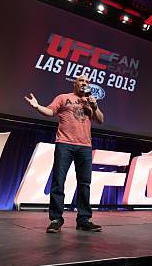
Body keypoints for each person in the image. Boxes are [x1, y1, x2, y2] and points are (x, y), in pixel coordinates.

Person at [24, 75, 104, 233]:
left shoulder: (90, 101)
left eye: (87, 82)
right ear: (75, 83)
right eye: (81, 80)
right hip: (65, 144)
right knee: (58, 181)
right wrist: (37, 106)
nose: (84, 83)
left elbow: (100, 120)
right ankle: (56, 219)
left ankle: (83, 219)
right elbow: (50, 111)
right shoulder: (63, 97)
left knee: (84, 184)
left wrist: (94, 107)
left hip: (85, 147)